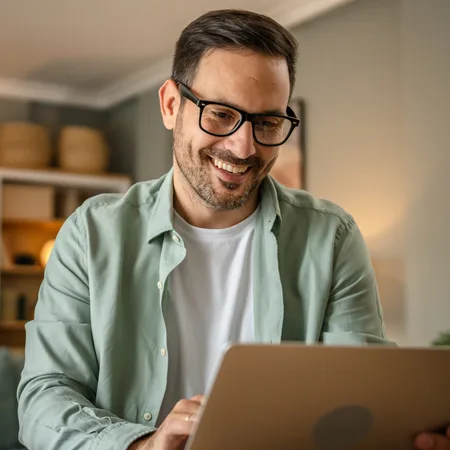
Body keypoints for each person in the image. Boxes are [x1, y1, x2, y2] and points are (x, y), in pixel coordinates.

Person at [17, 9, 449, 450]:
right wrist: (142, 445)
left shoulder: (332, 237)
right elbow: (43, 398)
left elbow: (364, 394)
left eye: (266, 123)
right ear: (171, 106)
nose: (244, 147)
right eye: (221, 114)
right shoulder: (90, 234)